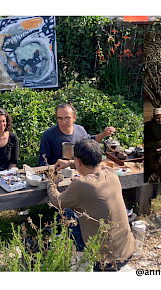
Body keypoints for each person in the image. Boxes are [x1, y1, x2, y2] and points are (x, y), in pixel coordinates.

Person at [47, 139, 136, 271]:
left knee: (65, 213)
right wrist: (70, 163)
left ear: (78, 161)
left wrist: (50, 182)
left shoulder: (81, 185)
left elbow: (57, 201)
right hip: (127, 250)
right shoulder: (110, 173)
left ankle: (70, 252)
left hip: (105, 261)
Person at [39, 103, 115, 166]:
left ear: (74, 118)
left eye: (67, 118)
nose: (63, 122)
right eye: (60, 118)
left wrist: (104, 134)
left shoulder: (80, 130)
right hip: (59, 173)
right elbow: (43, 161)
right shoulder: (49, 135)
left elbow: (92, 141)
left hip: (79, 171)